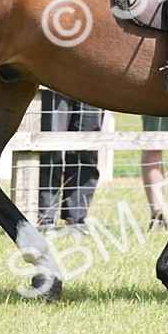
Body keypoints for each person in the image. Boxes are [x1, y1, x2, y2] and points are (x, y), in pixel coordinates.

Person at [38, 90, 104, 232]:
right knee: (50, 148)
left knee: (87, 150)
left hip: (95, 80)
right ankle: (45, 220)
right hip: (55, 80)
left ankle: (77, 220)